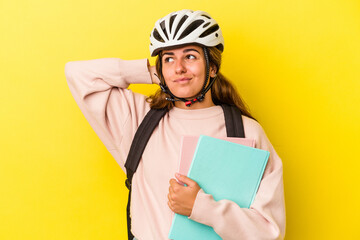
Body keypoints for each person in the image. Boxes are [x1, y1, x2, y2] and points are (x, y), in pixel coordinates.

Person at [65, 9, 285, 240]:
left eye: (190, 56)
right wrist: (152, 73)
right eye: (169, 59)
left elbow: (270, 233)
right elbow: (77, 73)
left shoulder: (245, 132)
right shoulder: (139, 118)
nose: (179, 68)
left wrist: (201, 207)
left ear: (212, 67)